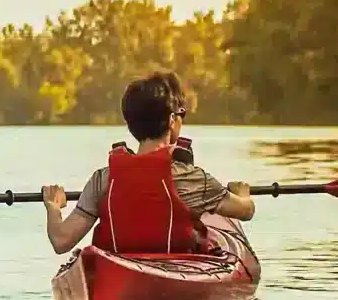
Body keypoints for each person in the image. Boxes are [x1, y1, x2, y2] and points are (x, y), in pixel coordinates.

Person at [41, 71, 253, 256]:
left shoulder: (103, 179)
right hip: (176, 274)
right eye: (181, 114)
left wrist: (53, 207)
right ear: (171, 119)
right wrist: (242, 194)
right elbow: (246, 211)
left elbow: (61, 241)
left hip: (118, 275)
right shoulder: (192, 178)